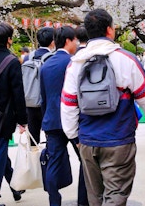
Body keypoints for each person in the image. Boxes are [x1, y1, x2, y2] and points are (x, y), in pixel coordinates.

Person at [61, 9, 145, 206]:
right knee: (116, 195)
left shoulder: (75, 64)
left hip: (87, 141)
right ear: (109, 30)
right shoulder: (127, 59)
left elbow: (68, 105)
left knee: (95, 197)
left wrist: (75, 137)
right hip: (119, 139)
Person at [40, 26, 88, 206]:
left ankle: (54, 201)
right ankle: (83, 200)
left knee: (53, 163)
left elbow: (43, 98)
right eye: (75, 40)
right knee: (85, 161)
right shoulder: (74, 63)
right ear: (68, 41)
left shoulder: (46, 65)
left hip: (52, 121)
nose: (77, 43)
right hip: (74, 121)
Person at [0, 22, 27, 202]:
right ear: (9, 40)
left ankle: (15, 188)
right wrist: (22, 119)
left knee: (0, 150)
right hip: (5, 114)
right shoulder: (12, 61)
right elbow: (18, 92)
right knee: (0, 149)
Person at [25, 26, 55, 144]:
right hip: (46, 103)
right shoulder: (52, 59)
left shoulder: (28, 57)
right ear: (53, 42)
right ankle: (48, 160)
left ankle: (34, 161)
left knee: (33, 139)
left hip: (30, 102)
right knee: (51, 138)